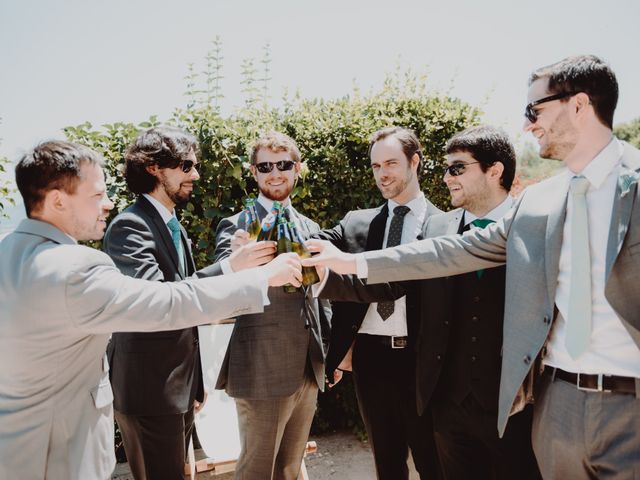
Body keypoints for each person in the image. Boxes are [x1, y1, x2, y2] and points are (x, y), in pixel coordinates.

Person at [305, 54, 640, 478]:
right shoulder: (539, 202)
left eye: (534, 110)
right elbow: (447, 252)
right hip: (557, 403)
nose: (527, 125)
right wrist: (351, 261)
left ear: (578, 106)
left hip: (630, 405)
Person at [0, 140, 301, 480]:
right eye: (98, 196)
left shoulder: (8, 248)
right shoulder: (74, 268)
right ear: (57, 200)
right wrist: (259, 278)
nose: (109, 204)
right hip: (57, 457)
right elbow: (167, 303)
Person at [102, 127, 276, 480]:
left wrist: (194, 385)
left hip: (177, 389)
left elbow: (191, 307)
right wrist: (231, 267)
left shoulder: (173, 225)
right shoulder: (129, 227)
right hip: (149, 391)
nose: (195, 174)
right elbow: (160, 301)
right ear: (154, 168)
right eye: (186, 166)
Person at [315, 126, 441, 479]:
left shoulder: (444, 224)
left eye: (390, 163)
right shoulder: (357, 221)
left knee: (434, 461)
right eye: (375, 166)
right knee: (387, 462)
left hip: (422, 359)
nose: (382, 174)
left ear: (414, 162)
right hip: (371, 358)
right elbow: (312, 242)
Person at [213, 132, 331, 480]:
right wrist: (239, 259)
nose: (274, 173)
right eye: (265, 166)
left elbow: (321, 295)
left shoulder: (310, 227)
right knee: (256, 471)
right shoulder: (236, 226)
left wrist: (330, 353)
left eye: (283, 165)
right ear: (253, 172)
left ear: (296, 169)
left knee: (290, 470)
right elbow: (219, 286)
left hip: (308, 368)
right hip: (260, 368)